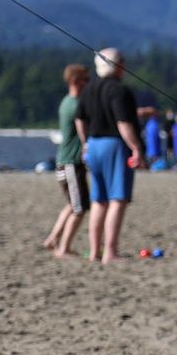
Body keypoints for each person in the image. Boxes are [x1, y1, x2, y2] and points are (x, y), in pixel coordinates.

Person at [74, 47, 143, 264]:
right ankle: (110, 252)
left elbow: (79, 120)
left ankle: (95, 252)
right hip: (114, 145)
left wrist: (85, 143)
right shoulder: (119, 90)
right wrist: (136, 148)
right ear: (119, 66)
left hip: (93, 145)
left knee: (99, 200)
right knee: (117, 199)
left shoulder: (88, 89)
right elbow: (123, 123)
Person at [43, 63, 90, 258]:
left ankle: (52, 239)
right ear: (75, 81)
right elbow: (83, 132)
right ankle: (64, 248)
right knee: (80, 208)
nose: (89, 83)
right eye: (86, 79)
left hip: (66, 161)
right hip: (71, 162)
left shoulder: (66, 102)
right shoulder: (75, 105)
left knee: (73, 204)